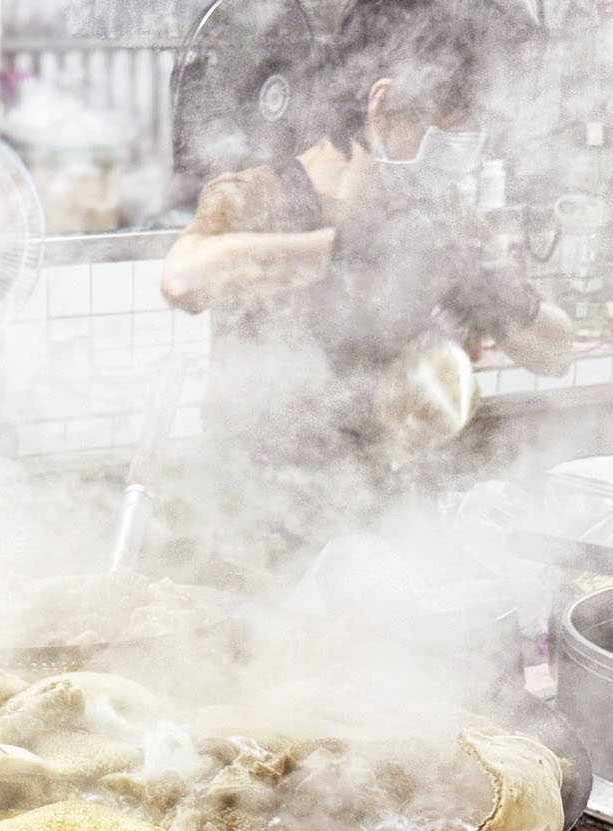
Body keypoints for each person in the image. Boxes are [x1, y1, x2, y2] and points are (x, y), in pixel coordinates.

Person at [160, 0, 573, 572]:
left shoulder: (444, 215)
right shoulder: (261, 194)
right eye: (465, 124)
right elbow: (183, 277)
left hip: (382, 535)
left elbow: (556, 352)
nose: (477, 144)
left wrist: (502, 298)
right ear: (383, 107)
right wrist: (342, 249)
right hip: (254, 536)